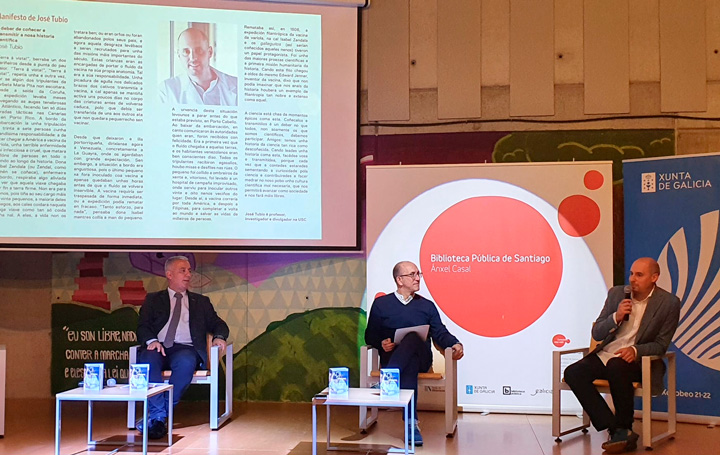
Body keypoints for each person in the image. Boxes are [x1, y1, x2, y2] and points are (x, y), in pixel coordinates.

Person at [563, 257, 680, 453]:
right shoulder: (617, 294)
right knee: (574, 372)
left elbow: (660, 345)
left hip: (638, 361)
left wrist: (635, 350)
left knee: (617, 366)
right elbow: (597, 333)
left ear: (654, 277)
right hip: (607, 354)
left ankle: (622, 428)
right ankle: (618, 429)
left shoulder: (669, 303)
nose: (633, 279)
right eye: (632, 273)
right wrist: (615, 317)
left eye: (639, 275)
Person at [365, 261, 464, 446]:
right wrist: (381, 342)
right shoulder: (381, 304)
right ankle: (411, 424)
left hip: (422, 359)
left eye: (419, 274)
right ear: (399, 280)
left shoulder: (426, 306)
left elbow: (440, 332)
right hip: (393, 359)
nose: (418, 278)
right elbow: (370, 335)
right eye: (412, 274)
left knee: (411, 336)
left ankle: (387, 381)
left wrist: (454, 343)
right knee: (408, 365)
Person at [136, 255, 229, 438]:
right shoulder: (153, 299)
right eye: (183, 270)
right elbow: (143, 326)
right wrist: (151, 341)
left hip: (185, 349)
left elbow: (219, 324)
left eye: (189, 271)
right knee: (148, 359)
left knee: (187, 361)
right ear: (169, 274)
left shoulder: (201, 302)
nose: (188, 275)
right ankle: (159, 415)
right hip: (158, 346)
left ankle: (157, 416)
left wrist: (219, 337)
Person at [159, 27, 238, 105]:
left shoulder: (237, 86)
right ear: (179, 55)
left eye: (199, 50)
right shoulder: (166, 91)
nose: (193, 58)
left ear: (210, 52)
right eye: (186, 51)